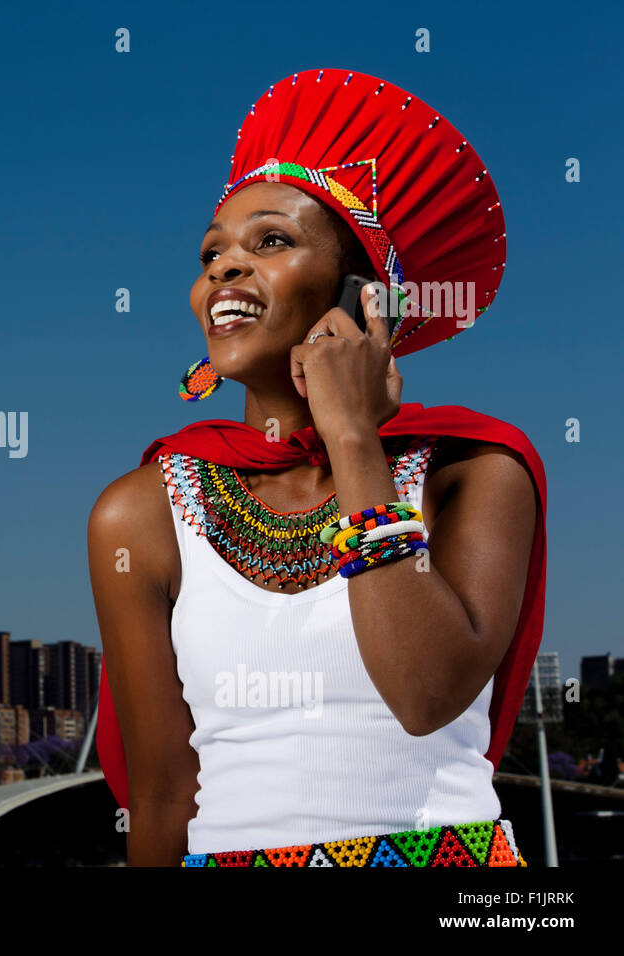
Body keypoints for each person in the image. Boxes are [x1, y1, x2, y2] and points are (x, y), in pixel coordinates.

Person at [88, 69, 548, 867]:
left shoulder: (473, 470)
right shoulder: (140, 512)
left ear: (365, 294)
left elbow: (425, 692)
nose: (224, 270)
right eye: (211, 254)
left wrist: (353, 438)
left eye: (270, 241)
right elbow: (162, 795)